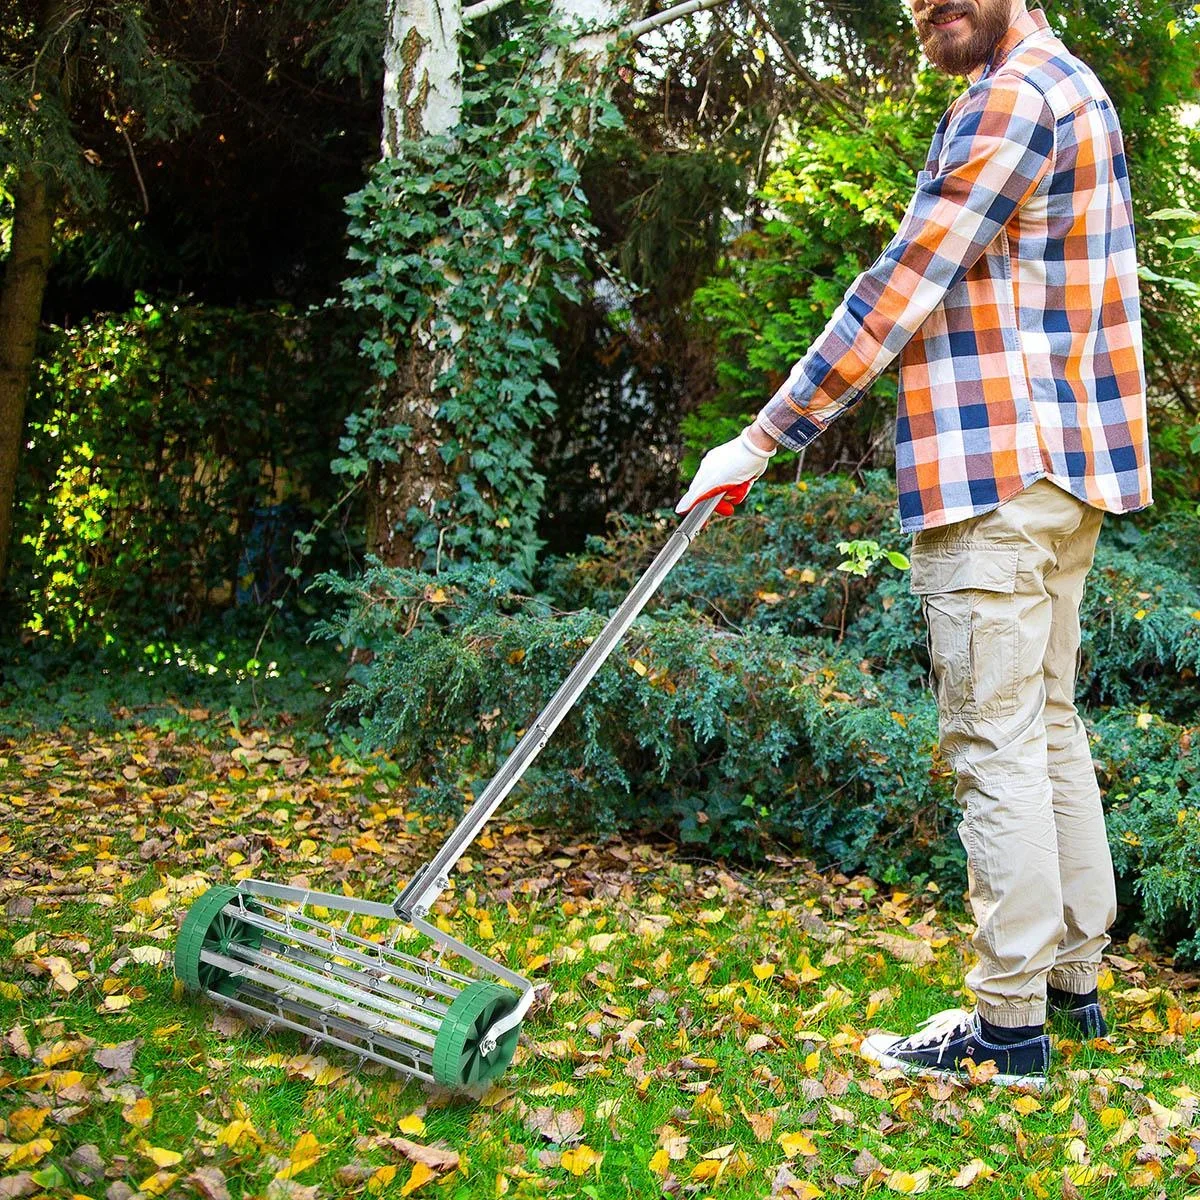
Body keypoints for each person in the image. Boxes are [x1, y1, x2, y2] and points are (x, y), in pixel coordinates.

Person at [676, 0, 1152, 1090]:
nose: (925, 5)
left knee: (993, 738)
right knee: (1045, 722)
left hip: (998, 473)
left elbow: (903, 283)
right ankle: (1070, 985)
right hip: (1063, 471)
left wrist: (763, 438)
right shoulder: (1074, 85)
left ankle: (1007, 1026)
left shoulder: (1010, 99)